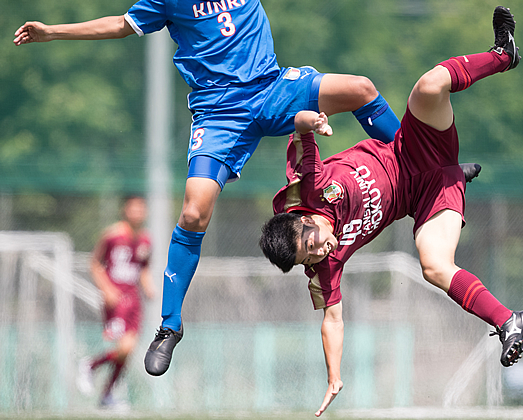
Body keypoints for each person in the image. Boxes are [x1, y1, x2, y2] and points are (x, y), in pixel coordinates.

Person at [14, 0, 403, 376]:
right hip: (219, 112)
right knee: (193, 212)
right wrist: (52, 32)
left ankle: (423, 165)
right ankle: (169, 325)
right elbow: (120, 24)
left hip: (273, 87)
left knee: (361, 88)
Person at [259, 6, 523, 417]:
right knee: (434, 266)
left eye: (311, 243)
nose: (318, 252)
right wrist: (334, 375)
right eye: (309, 257)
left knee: (428, 86)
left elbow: (299, 127)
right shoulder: (325, 265)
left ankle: (502, 55)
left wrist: (312, 120)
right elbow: (332, 321)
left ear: (305, 219)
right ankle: (509, 321)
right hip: (426, 199)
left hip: (413, 148)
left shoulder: (309, 187)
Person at [77, 196, 154, 407]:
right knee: (125, 348)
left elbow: (143, 268)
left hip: (134, 301)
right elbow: (94, 263)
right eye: (134, 208)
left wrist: (148, 287)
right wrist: (107, 289)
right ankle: (90, 365)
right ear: (125, 210)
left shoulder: (146, 239)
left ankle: (106, 395)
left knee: (127, 352)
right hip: (116, 300)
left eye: (142, 209)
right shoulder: (112, 235)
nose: (138, 212)